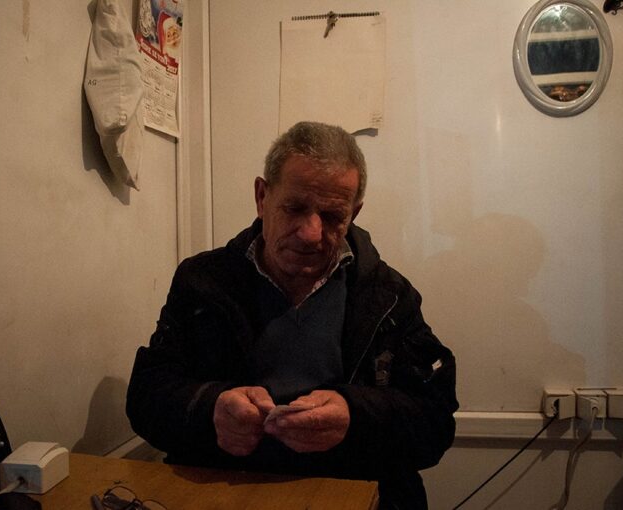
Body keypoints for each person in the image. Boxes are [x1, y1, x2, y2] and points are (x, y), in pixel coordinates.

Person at [126, 121, 458, 509]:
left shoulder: (389, 296)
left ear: (354, 214)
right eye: (295, 208)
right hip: (226, 495)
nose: (311, 233)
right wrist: (209, 408)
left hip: (350, 496)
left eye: (332, 216)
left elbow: (434, 422)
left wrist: (355, 417)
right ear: (261, 197)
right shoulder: (202, 281)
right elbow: (147, 396)